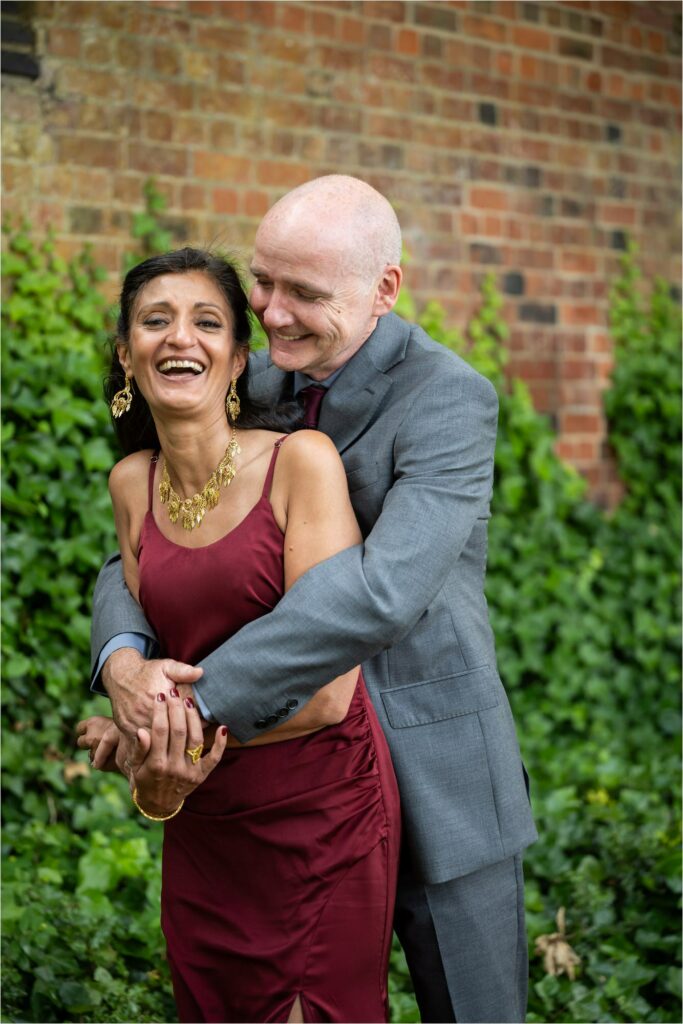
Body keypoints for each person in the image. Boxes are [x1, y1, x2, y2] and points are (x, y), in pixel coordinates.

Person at [89, 176, 538, 1023]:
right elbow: (148, 536)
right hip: (287, 783)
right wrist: (118, 658)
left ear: (384, 290)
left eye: (304, 293)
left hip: (428, 761)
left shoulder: (449, 399)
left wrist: (195, 705)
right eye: (263, 283)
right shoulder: (254, 382)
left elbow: (376, 594)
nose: (273, 313)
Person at [78, 246, 401, 1024]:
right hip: (204, 817)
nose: (179, 338)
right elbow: (152, 633)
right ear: (127, 355)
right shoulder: (132, 485)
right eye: (155, 321)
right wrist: (132, 702)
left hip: (319, 812)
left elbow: (326, 694)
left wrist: (157, 737)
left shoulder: (302, 463)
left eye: (207, 322)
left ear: (237, 360)